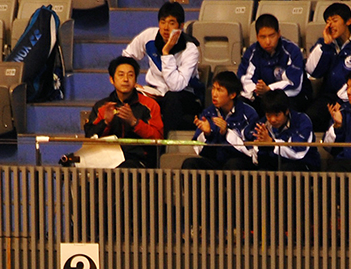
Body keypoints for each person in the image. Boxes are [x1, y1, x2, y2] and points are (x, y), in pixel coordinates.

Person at [121, 1, 201, 131]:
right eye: (162, 22)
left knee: (171, 99)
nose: (165, 27)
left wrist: (166, 53)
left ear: (180, 26)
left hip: (184, 96)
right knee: (126, 95)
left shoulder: (190, 50)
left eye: (171, 23)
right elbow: (127, 57)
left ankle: (165, 148)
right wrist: (132, 82)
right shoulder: (149, 36)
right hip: (154, 92)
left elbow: (176, 86)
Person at [304, 2, 351, 131]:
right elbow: (312, 71)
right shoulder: (326, 43)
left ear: (348, 21)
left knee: (346, 122)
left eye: (334, 20)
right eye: (328, 21)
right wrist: (326, 45)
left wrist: (343, 98)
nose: (330, 25)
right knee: (309, 118)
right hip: (328, 96)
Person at [85, 56, 164, 168]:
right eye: (121, 75)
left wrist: (135, 123)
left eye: (130, 75)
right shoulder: (102, 106)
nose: (126, 79)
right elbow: (89, 138)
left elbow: (158, 139)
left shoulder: (150, 105)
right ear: (112, 79)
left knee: (125, 167)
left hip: (140, 161)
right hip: (107, 159)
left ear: (136, 80)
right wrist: (106, 122)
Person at [184, 70, 259, 170]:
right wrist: (208, 134)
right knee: (190, 163)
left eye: (219, 90)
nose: (214, 94)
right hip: (216, 161)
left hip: (240, 161)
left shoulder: (248, 113)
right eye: (213, 88)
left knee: (233, 164)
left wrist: (226, 133)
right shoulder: (208, 113)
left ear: (232, 95)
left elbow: (250, 152)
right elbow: (199, 150)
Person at [238, 14, 307, 113]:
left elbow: (294, 83)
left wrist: (269, 89)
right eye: (263, 37)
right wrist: (257, 89)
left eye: (271, 36)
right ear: (257, 37)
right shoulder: (252, 52)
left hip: (288, 97)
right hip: (260, 96)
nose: (268, 41)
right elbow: (244, 78)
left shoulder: (292, 50)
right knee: (241, 104)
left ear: (279, 34)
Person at [250, 90, 320, 171]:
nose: (272, 120)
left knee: (286, 169)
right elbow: (256, 160)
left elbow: (299, 154)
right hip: (276, 164)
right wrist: (262, 147)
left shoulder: (302, 121)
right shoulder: (262, 126)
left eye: (277, 115)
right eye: (269, 115)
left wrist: (272, 143)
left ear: (287, 111)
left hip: (305, 165)